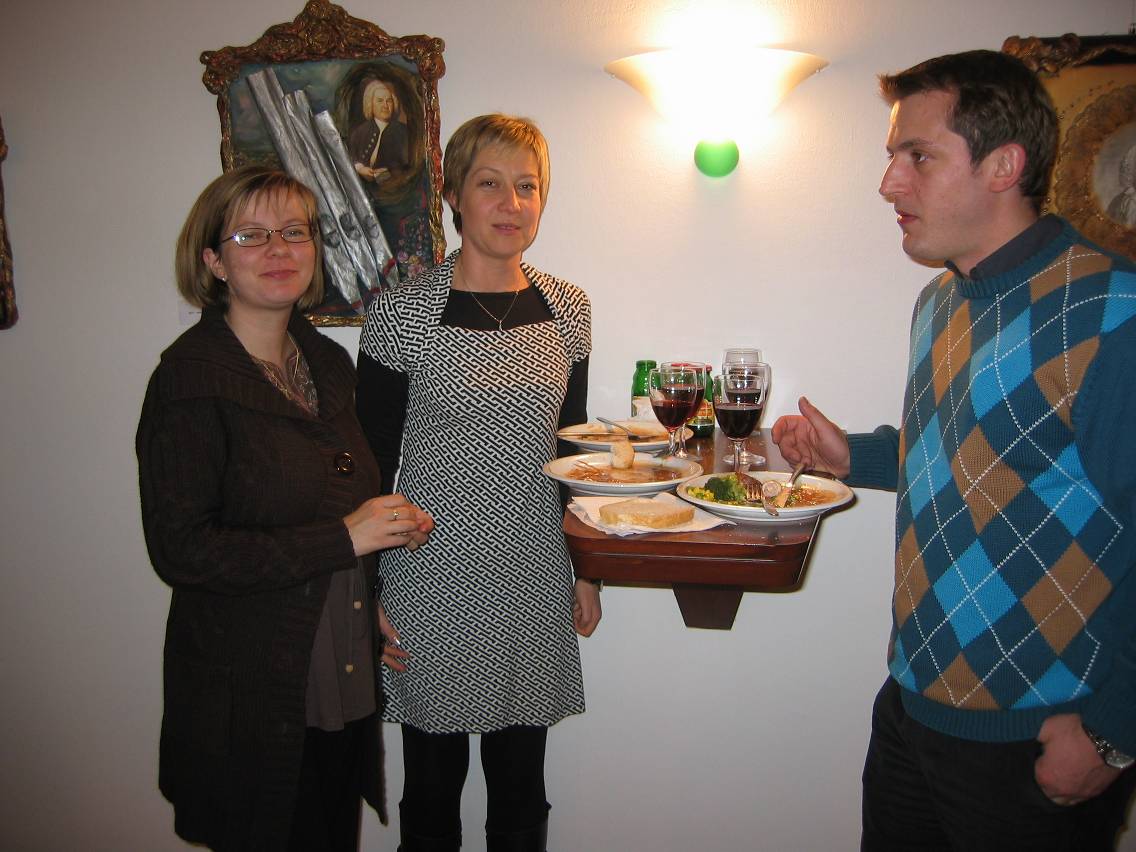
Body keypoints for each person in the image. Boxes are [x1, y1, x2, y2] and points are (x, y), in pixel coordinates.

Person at [771, 50, 1136, 851]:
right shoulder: (939, 301)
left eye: (919, 156)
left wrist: (1113, 733)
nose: (889, 183)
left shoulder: (1114, 312)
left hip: (1035, 741)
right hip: (913, 706)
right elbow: (982, 454)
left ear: (1004, 165)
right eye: (892, 156)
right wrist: (852, 457)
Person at [136, 165, 434, 851]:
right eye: (252, 235)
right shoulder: (189, 381)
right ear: (213, 261)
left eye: (295, 232)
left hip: (338, 662)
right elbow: (182, 550)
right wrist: (345, 539)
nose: (279, 249)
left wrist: (365, 581)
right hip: (251, 688)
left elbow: (337, 501)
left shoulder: (327, 363)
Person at [356, 114, 600, 852]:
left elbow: (575, 449)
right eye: (490, 183)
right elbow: (371, 462)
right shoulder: (401, 314)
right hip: (430, 577)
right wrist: (366, 592)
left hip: (532, 570)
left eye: (527, 186)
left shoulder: (569, 310)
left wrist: (588, 569)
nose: (511, 203)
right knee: (431, 791)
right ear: (454, 196)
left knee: (522, 786)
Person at [349, 79, 411, 194]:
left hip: (394, 193)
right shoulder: (360, 132)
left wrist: (389, 174)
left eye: (389, 101)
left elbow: (408, 167)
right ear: (370, 104)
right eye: (380, 101)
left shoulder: (403, 132)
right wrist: (359, 168)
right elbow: (350, 159)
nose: (385, 105)